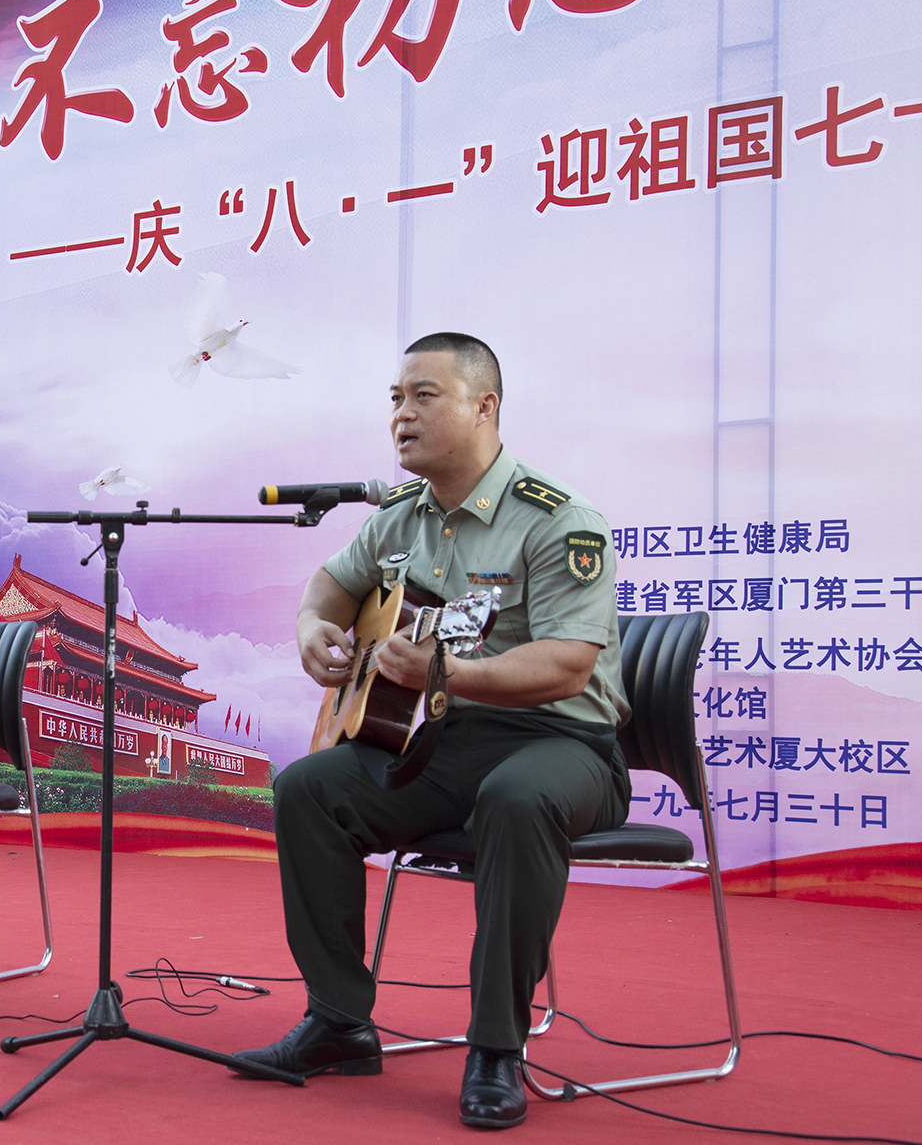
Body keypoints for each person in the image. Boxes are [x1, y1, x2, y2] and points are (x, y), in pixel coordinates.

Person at [233, 334, 630, 1131]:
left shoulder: (557, 520)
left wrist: (441, 676)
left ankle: (496, 1048)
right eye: (394, 398)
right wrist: (313, 626)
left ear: (485, 407)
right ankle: (340, 1021)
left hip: (562, 746)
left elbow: (566, 667)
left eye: (423, 396)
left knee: (517, 799)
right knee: (308, 788)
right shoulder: (401, 518)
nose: (401, 416)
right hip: (445, 745)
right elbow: (331, 585)